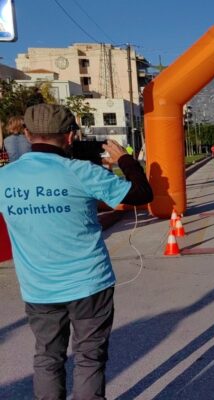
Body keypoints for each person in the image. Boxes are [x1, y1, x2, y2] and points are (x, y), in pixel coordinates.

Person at [0, 104, 152, 399]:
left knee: (47, 358)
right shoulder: (82, 172)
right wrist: (125, 160)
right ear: (70, 136)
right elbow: (142, 194)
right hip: (89, 284)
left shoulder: (5, 178)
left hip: (38, 288)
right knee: (89, 358)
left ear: (28, 134)